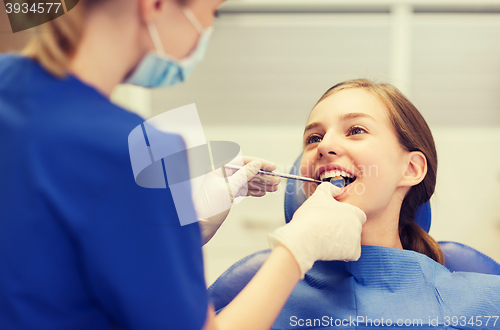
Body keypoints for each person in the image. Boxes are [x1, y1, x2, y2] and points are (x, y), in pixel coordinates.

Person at [0, 1, 369, 329]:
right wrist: (298, 247)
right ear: (155, 5)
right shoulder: (128, 150)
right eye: (213, 12)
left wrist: (180, 225)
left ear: (413, 168)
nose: (207, 31)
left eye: (356, 130)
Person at [209, 79, 500, 329]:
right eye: (314, 138)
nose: (323, 147)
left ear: (410, 169)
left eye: (356, 130)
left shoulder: (487, 303)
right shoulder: (246, 305)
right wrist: (178, 229)